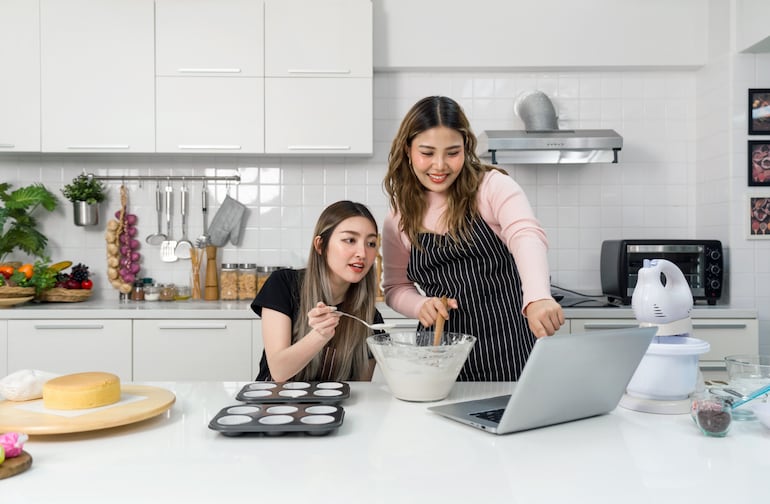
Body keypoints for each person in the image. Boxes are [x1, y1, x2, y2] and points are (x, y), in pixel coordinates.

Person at [381, 96, 565, 382]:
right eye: (427, 153)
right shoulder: (398, 218)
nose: (439, 166)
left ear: (466, 147)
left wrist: (538, 297)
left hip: (510, 350)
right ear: (408, 150)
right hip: (440, 355)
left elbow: (525, 234)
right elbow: (395, 287)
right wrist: (420, 305)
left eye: (452, 152)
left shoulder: (491, 187)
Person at [250, 200, 384, 382]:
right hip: (274, 399)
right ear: (320, 245)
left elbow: (360, 389)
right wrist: (319, 335)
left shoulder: (370, 318)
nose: (362, 253)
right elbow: (279, 372)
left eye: (371, 243)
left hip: (336, 402)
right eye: (350, 240)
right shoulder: (283, 285)